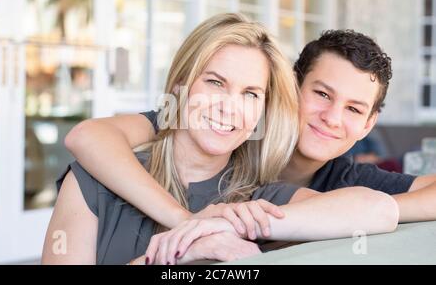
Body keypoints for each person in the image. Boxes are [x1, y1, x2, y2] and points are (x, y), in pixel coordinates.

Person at [49, 15, 400, 265]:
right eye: (215, 83)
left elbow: (379, 210)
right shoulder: (94, 181)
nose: (230, 107)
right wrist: (179, 250)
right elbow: (88, 136)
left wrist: (223, 223)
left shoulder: (257, 201)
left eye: (250, 93)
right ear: (179, 86)